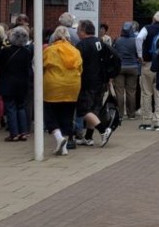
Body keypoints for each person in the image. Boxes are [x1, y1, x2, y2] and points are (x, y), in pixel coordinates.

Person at [75, 20, 117, 148]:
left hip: (87, 81)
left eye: (78, 30)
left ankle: (103, 130)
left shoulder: (81, 45)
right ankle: (88, 137)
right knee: (94, 109)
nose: (77, 32)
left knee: (83, 109)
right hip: (101, 81)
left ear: (83, 31)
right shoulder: (100, 42)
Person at [43, 25, 82, 156]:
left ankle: (59, 138)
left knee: (50, 114)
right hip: (72, 87)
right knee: (67, 115)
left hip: (53, 86)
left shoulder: (50, 50)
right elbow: (80, 69)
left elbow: (41, 66)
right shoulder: (75, 51)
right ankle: (64, 147)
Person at [0, 25, 33, 141]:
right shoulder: (27, 52)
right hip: (22, 83)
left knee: (10, 107)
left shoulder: (5, 51)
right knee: (21, 106)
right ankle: (23, 132)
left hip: (8, 82)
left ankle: (14, 133)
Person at [136, 11, 159, 131]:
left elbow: (139, 38)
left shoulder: (147, 28)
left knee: (146, 93)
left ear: (154, 19)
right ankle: (158, 122)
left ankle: (146, 121)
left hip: (147, 64)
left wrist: (140, 55)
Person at [112, 22, 140, 120]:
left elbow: (114, 53)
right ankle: (131, 114)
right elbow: (138, 54)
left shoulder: (118, 40)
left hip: (120, 68)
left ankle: (120, 114)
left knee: (119, 91)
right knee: (131, 92)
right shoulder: (135, 41)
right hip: (133, 67)